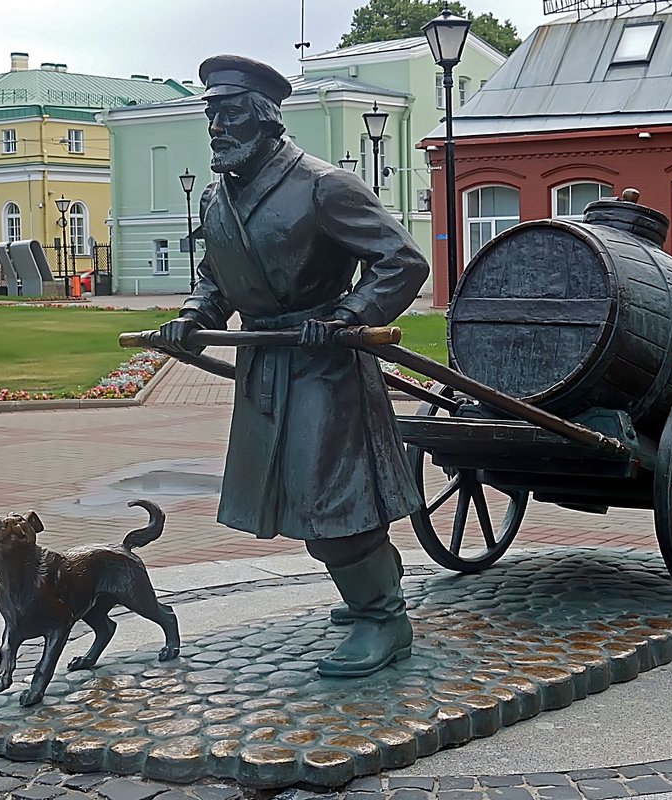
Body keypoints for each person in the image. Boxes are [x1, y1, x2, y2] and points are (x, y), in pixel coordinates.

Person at [158, 55, 429, 678]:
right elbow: (216, 276)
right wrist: (194, 316)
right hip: (268, 365)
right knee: (298, 498)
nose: (216, 130)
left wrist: (348, 313)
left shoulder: (324, 185)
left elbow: (401, 260)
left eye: (227, 116)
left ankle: (383, 619)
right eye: (211, 117)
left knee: (329, 500)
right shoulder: (216, 197)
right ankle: (374, 593)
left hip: (324, 366)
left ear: (262, 119)